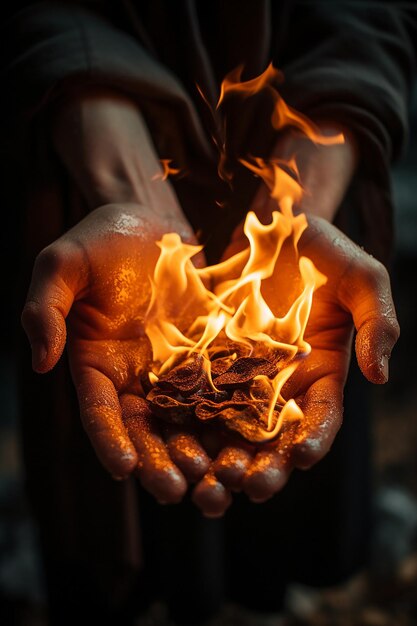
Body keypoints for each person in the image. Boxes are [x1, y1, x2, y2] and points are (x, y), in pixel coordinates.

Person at [2, 2, 415, 624]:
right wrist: (121, 183)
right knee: (120, 503)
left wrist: (298, 208)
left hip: (304, 177)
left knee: (286, 510)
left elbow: (368, 19)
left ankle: (266, 599)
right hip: (94, 192)